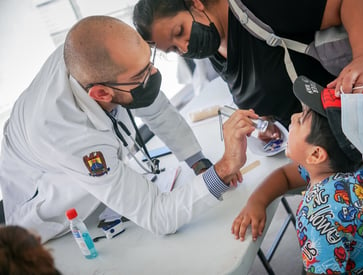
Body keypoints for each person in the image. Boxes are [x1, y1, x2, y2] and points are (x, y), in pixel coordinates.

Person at [133, 0, 363, 232]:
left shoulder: (257, 7)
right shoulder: (213, 47)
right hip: (336, 153)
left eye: (180, 31)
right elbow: (270, 77)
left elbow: (351, 2)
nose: (184, 47)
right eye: (173, 49)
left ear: (194, 3)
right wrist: (268, 123)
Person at [0, 16, 248, 243]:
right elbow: (158, 216)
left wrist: (199, 163)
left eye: (149, 60)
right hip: (46, 189)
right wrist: (223, 168)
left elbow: (157, 109)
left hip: (58, 143)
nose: (154, 74)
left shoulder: (91, 51)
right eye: (142, 74)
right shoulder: (70, 136)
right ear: (102, 93)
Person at [231, 76, 363, 273]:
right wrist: (257, 201)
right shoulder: (355, 164)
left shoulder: (317, 215)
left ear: (316, 154)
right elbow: (285, 176)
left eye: (300, 120)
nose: (292, 118)